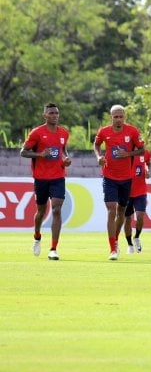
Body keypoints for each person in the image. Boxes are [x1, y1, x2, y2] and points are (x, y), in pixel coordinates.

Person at [20, 102, 72, 260]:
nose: (54, 116)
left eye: (56, 113)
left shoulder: (63, 133)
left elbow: (63, 150)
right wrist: (40, 155)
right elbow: (23, 152)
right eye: (51, 113)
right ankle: (37, 236)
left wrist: (66, 159)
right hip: (41, 178)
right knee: (41, 211)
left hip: (58, 177)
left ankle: (53, 249)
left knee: (56, 210)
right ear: (45, 115)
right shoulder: (36, 133)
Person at [93, 104, 145, 261]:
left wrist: (128, 153)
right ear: (111, 118)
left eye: (121, 116)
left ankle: (115, 239)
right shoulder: (104, 132)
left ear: (125, 117)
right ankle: (112, 248)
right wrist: (99, 157)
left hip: (126, 178)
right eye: (115, 116)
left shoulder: (133, 131)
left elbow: (142, 150)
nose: (118, 119)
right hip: (109, 177)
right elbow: (96, 145)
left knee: (122, 211)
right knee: (112, 210)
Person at [124, 149, 151, 254]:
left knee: (140, 216)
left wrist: (148, 170)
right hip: (126, 193)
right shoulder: (125, 153)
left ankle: (137, 237)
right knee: (127, 220)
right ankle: (129, 244)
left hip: (141, 191)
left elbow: (148, 163)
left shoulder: (146, 153)